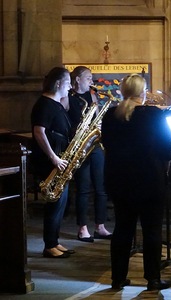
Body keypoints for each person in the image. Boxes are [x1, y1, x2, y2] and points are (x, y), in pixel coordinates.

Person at [101, 74, 171, 291]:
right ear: (143, 93)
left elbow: (107, 144)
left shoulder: (110, 116)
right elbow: (167, 145)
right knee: (152, 229)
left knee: (122, 228)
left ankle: (118, 278)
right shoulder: (152, 115)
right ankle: (152, 279)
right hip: (149, 179)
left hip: (119, 180)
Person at [31, 67, 75, 258]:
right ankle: (49, 245)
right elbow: (39, 132)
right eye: (67, 83)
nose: (70, 87)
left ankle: (54, 242)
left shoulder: (56, 104)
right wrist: (53, 157)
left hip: (59, 158)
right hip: (51, 161)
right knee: (54, 203)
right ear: (58, 84)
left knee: (60, 203)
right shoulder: (44, 104)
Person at [65, 66, 112, 243]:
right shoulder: (68, 97)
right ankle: (82, 227)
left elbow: (96, 116)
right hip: (79, 146)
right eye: (88, 78)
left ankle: (100, 226)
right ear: (77, 79)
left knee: (101, 188)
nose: (91, 81)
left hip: (95, 145)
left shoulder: (92, 95)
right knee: (83, 189)